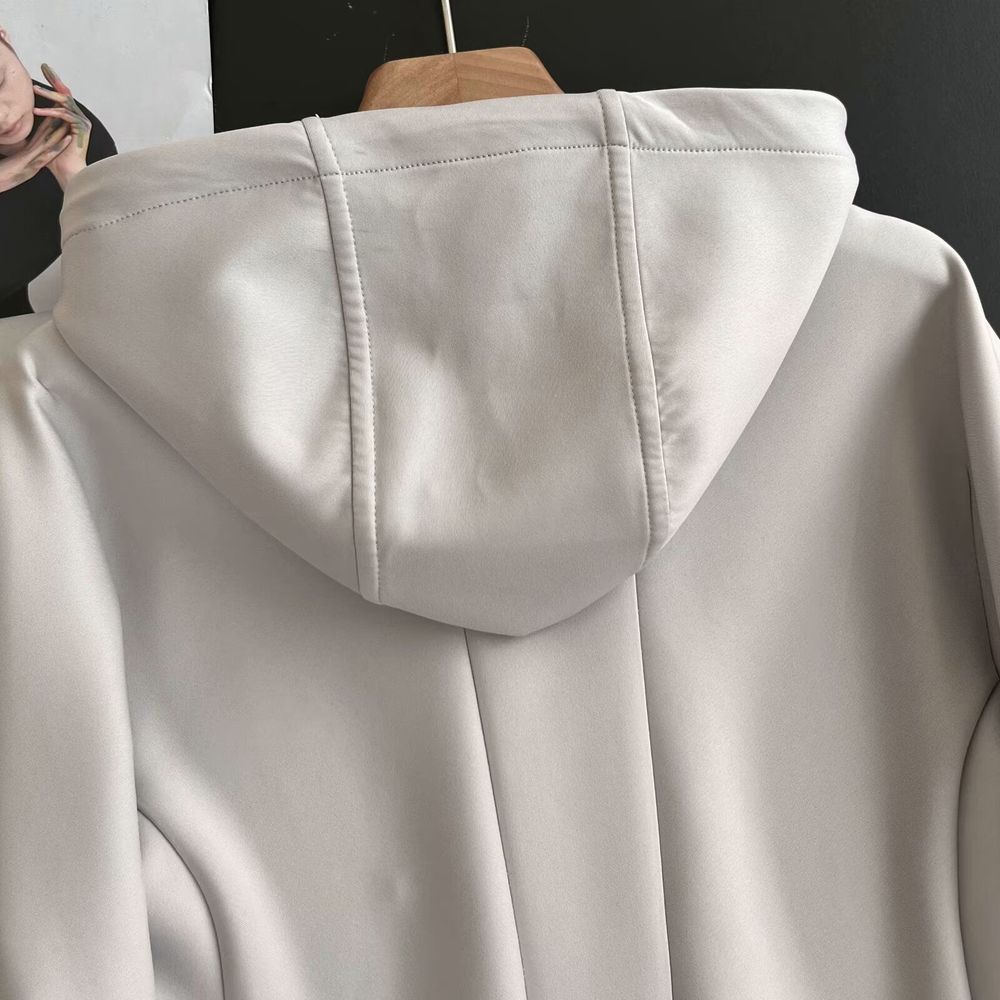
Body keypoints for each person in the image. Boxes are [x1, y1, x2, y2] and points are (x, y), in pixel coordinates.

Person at [0, 26, 117, 317]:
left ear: (3, 38)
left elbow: (121, 268)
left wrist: (72, 175)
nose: (3, 116)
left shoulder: (71, 129)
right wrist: (9, 174)